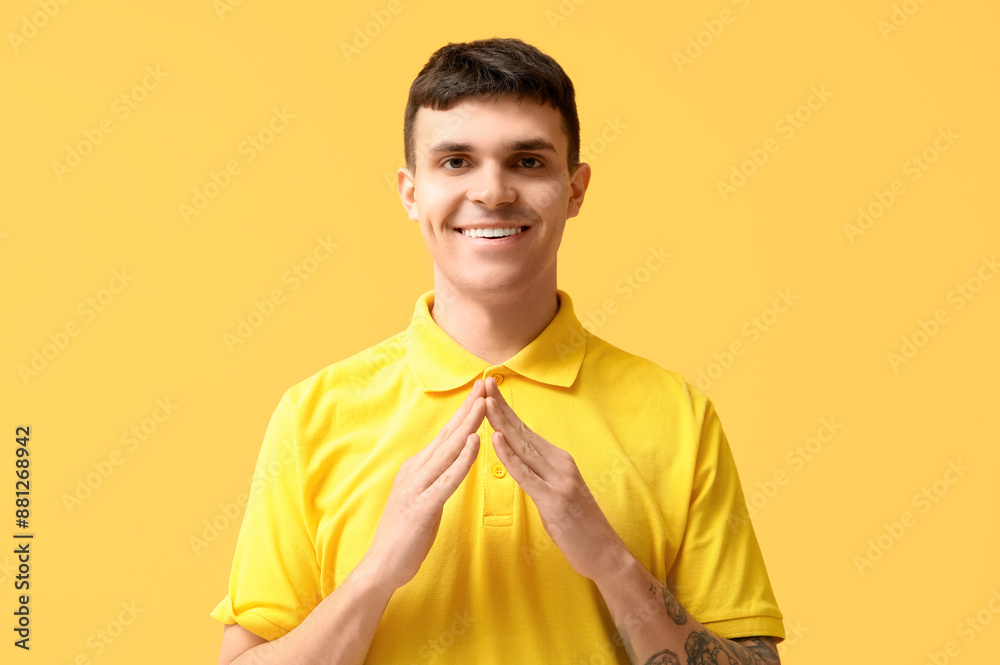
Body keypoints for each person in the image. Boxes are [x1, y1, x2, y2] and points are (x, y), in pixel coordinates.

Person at [212, 37, 785, 665]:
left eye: (528, 162)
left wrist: (611, 562)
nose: (493, 192)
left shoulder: (680, 416)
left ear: (575, 188)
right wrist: (377, 573)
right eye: (456, 161)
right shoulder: (313, 415)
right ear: (410, 191)